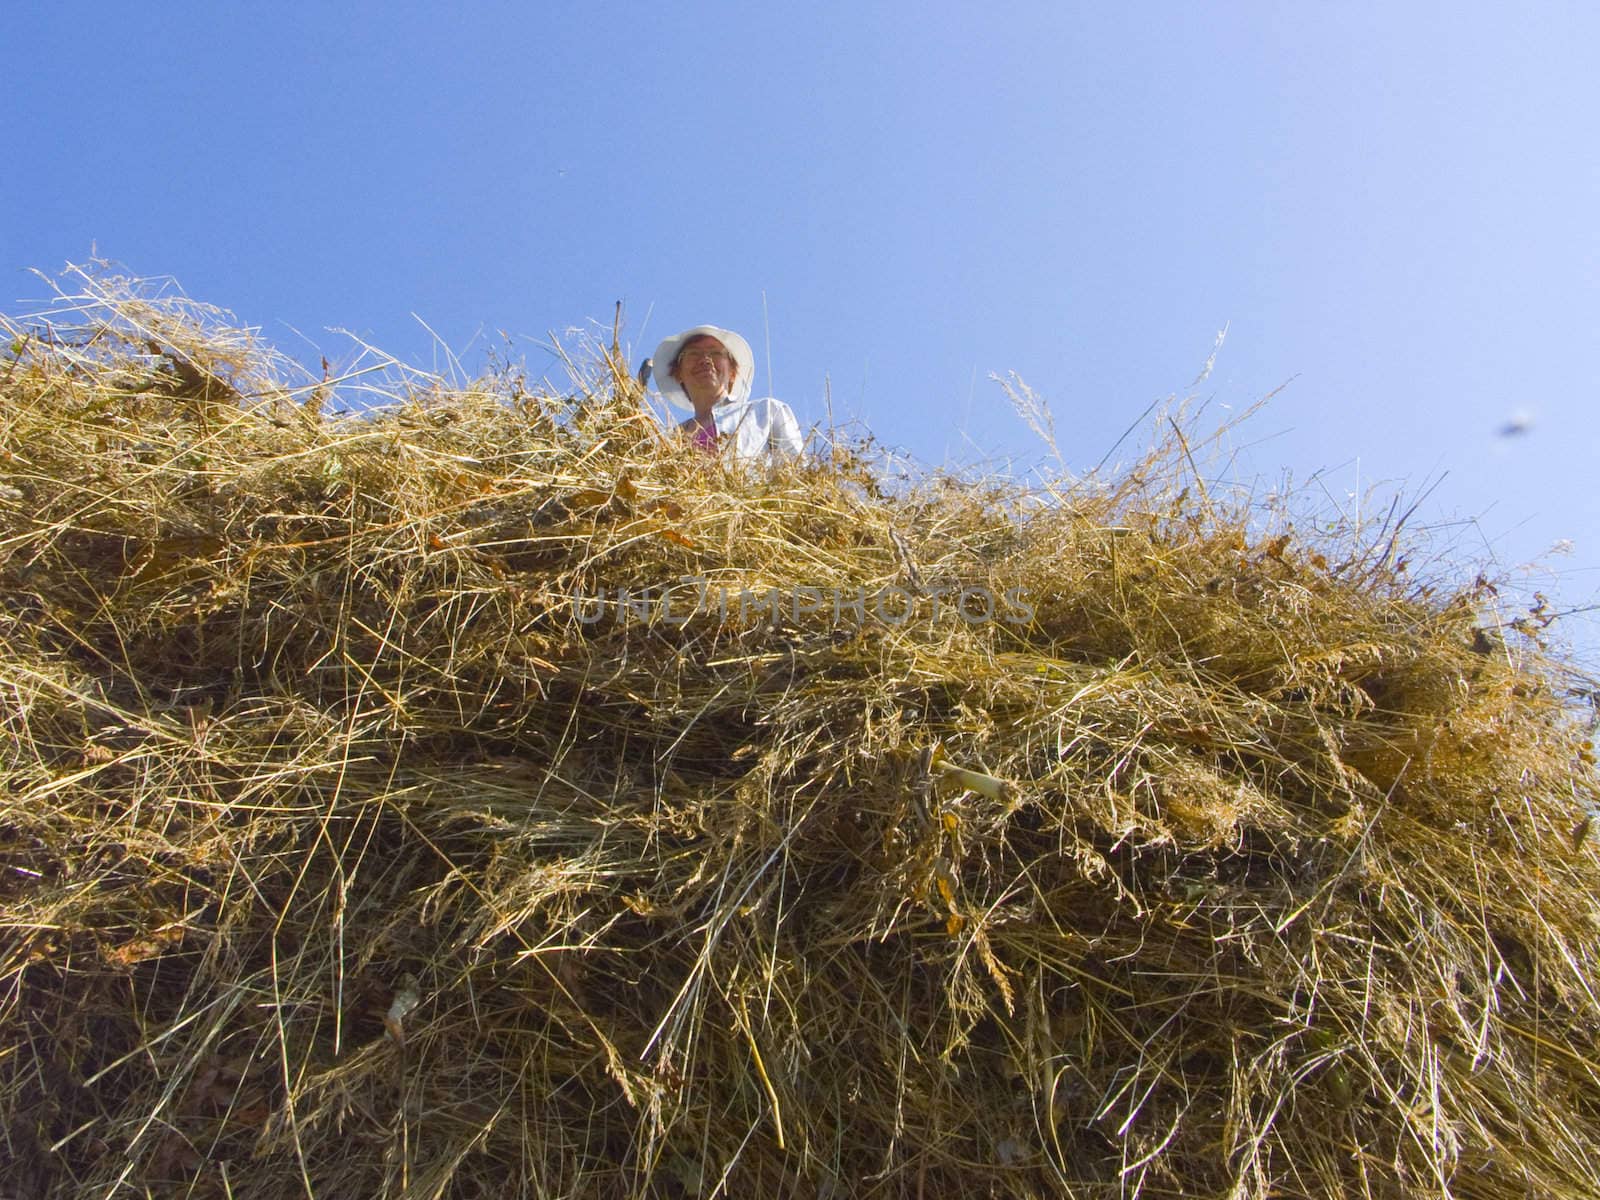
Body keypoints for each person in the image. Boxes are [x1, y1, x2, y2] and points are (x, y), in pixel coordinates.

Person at [649, 325, 803, 461]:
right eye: (693, 354)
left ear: (732, 373)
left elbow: (797, 469)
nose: (705, 360)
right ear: (678, 374)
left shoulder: (767, 412)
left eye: (715, 353)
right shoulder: (668, 441)